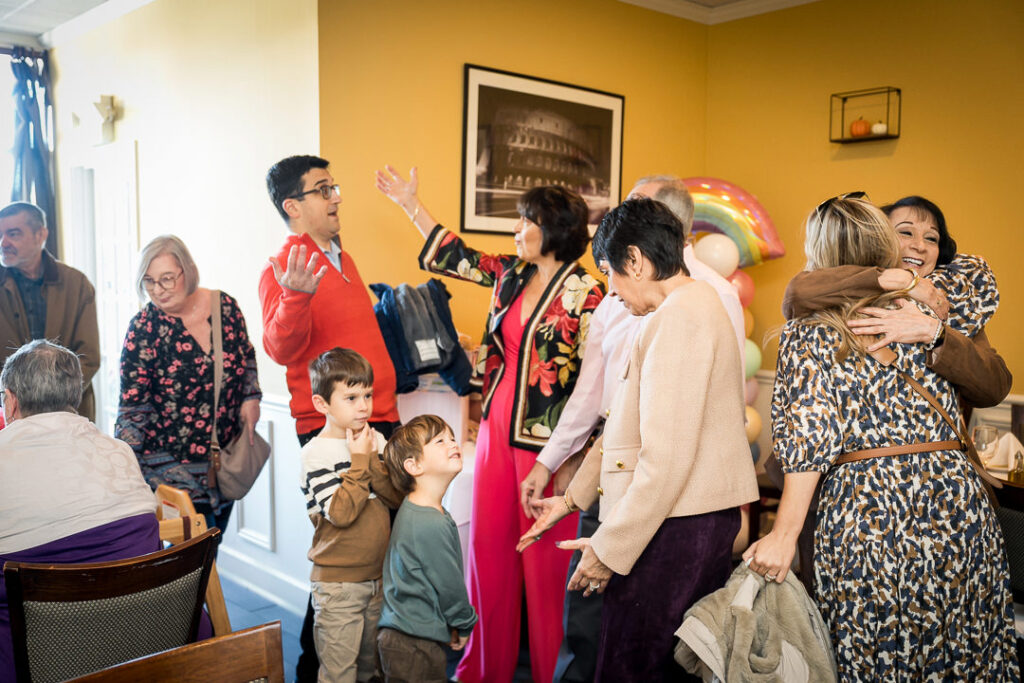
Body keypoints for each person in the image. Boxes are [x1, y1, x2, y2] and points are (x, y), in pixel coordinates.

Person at [743, 194, 1018, 680]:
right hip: (959, 512)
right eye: (905, 234)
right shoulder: (928, 317)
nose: (919, 246)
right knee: (963, 650)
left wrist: (782, 536)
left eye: (931, 237)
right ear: (882, 245)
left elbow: (810, 439)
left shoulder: (825, 330)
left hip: (870, 518)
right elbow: (801, 291)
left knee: (876, 649)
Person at [376, 166, 604, 683]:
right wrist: (411, 204)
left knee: (548, 569)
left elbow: (597, 390)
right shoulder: (510, 273)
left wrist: (575, 465)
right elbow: (456, 255)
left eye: (524, 222)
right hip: (497, 433)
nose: (516, 231)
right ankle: (483, 669)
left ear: (551, 230)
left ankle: (554, 674)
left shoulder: (590, 293)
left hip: (554, 448)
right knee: (490, 556)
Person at [517, 174, 746, 682]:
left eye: (611, 275)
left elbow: (665, 461)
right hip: (671, 516)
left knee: (639, 663)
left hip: (678, 524)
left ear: (637, 260)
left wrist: (607, 550)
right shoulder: (680, 306)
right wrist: (573, 498)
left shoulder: (682, 317)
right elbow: (628, 418)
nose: (612, 293)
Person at [261, 155, 400, 681]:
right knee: (346, 556)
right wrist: (295, 294)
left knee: (378, 555)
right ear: (293, 206)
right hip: (335, 430)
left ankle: (365, 667)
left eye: (334, 186)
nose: (336, 196)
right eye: (323, 190)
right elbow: (279, 346)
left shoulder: (344, 257)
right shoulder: (284, 267)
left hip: (377, 419)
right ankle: (315, 669)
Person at [0, 340, 158, 680]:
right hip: (144, 639)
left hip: (36, 655)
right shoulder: (119, 451)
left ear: (10, 402)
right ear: (74, 396)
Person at [115, 235, 261, 531]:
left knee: (212, 543)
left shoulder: (225, 308)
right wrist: (125, 470)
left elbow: (246, 357)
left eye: (167, 279)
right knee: (196, 553)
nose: (158, 290)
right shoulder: (143, 328)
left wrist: (251, 396)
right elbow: (132, 407)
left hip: (222, 459)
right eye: (149, 281)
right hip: (167, 464)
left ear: (187, 271)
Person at [300, 348, 402, 683]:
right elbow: (341, 514)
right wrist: (360, 462)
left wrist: (372, 459)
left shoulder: (376, 440)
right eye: (351, 397)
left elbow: (393, 496)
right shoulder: (315, 454)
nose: (364, 406)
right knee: (338, 674)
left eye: (368, 395)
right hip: (338, 585)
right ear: (322, 404)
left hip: (377, 579)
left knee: (369, 670)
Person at [377, 415, 478, 683]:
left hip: (407, 634)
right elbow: (450, 584)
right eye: (440, 441)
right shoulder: (429, 522)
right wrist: (464, 622)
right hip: (412, 643)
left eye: (452, 437)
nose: (453, 443)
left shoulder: (418, 509)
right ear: (414, 465)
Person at [0, 202, 99, 421]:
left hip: (69, 415)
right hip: (9, 415)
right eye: (0, 235)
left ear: (40, 234)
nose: (3, 243)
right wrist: (16, 403)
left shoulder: (77, 284)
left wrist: (50, 402)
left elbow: (89, 357)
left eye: (13, 234)